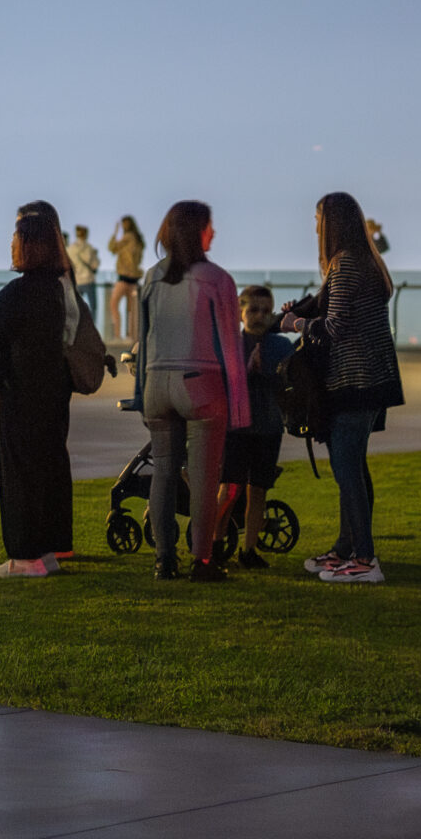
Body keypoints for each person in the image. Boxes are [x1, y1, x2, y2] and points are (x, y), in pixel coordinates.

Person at [284, 193, 404, 585]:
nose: (315, 225)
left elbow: (335, 327)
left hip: (356, 379)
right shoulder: (365, 260)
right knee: (353, 466)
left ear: (331, 223)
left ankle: (365, 559)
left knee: (347, 468)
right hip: (370, 378)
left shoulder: (347, 263)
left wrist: (294, 325)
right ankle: (346, 547)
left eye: (318, 218)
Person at [134, 201, 249, 582]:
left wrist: (141, 395)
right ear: (197, 231)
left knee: (164, 474)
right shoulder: (216, 279)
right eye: (209, 226)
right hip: (201, 383)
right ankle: (202, 560)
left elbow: (144, 340)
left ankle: (164, 559)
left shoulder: (151, 277)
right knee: (203, 480)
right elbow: (231, 347)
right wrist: (240, 409)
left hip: (156, 382)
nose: (213, 232)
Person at [0, 209, 78, 577]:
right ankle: (47, 550)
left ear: (28, 246)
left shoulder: (18, 291)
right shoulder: (56, 289)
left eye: (15, 238)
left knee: (19, 473)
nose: (11, 244)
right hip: (52, 390)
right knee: (45, 469)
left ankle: (24, 556)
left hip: (19, 391)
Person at [220, 285, 294, 569]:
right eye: (253, 310)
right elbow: (221, 384)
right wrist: (247, 372)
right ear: (241, 312)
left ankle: (248, 549)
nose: (260, 316)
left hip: (268, 428)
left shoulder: (281, 346)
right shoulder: (230, 345)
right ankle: (214, 543)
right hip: (236, 429)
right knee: (230, 489)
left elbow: (290, 384)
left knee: (259, 490)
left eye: (265, 311)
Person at [107, 215, 145, 344]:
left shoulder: (127, 238)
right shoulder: (138, 240)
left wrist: (115, 233)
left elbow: (112, 248)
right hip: (134, 278)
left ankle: (118, 335)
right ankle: (131, 336)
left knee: (114, 304)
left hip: (124, 277)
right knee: (132, 310)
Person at [68, 224, 102, 315]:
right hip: (88, 280)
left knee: (76, 307)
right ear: (86, 234)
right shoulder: (89, 248)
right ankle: (92, 323)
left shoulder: (70, 249)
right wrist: (96, 255)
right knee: (93, 307)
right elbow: (95, 265)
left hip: (76, 281)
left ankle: (78, 324)